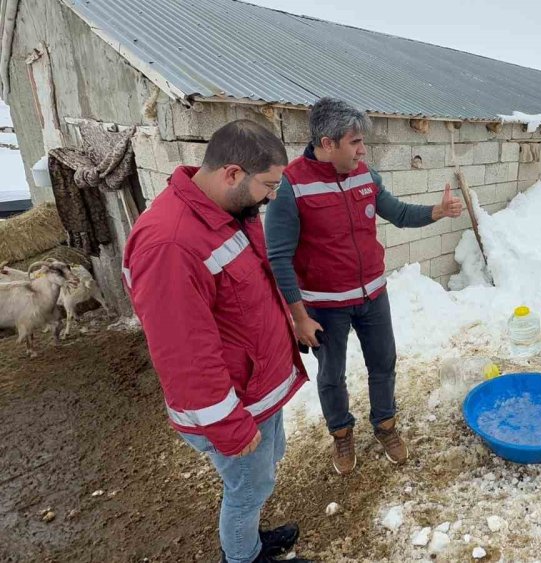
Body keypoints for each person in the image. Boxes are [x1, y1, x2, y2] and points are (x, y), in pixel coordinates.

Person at [123, 120, 312, 563]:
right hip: (234, 404)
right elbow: (185, 356)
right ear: (232, 173)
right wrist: (228, 425)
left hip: (256, 386)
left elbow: (247, 293)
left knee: (260, 475)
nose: (271, 196)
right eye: (268, 185)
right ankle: (242, 557)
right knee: (248, 487)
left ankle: (250, 538)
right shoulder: (170, 243)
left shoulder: (228, 212)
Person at [265, 98, 463, 475]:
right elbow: (278, 257)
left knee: (383, 362)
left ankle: (385, 425)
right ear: (327, 143)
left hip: (372, 295)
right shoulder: (291, 186)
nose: (362, 149)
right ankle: (341, 434)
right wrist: (299, 317)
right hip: (324, 306)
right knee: (331, 374)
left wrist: (436, 212)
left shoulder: (365, 175)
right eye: (354, 142)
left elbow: (398, 213)